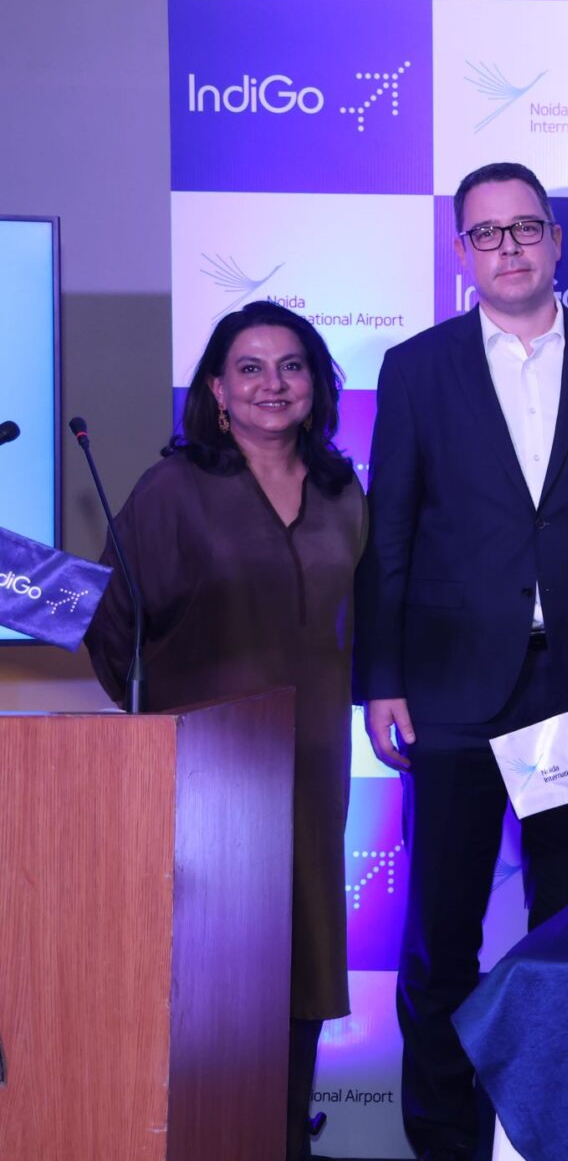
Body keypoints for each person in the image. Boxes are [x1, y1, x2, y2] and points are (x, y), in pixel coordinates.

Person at [353, 160, 568, 1161]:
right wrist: (381, 678)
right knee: (441, 933)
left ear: (557, 241)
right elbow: (390, 533)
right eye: (487, 233)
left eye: (526, 228)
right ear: (462, 252)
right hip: (449, 689)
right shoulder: (418, 367)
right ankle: (444, 1140)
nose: (509, 247)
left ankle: (552, 1132)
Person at [86, 301, 364, 1161]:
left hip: (312, 761)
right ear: (216, 388)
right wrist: (169, 727)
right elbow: (111, 628)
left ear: (315, 383)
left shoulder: (342, 489)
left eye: (291, 365)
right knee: (212, 967)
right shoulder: (173, 490)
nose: (271, 384)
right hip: (206, 773)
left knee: (303, 956)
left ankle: (286, 1142)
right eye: (249, 367)